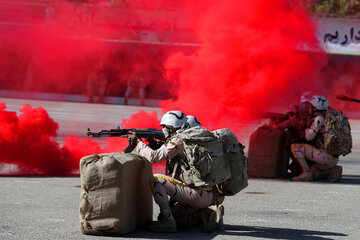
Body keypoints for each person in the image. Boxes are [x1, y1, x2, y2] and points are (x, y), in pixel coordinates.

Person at [128, 110, 224, 233]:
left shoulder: (179, 140)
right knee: (176, 218)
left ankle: (168, 223)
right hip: (213, 194)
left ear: (169, 127)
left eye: (164, 127)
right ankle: (205, 214)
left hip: (197, 195)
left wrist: (138, 143)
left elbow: (154, 157)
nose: (162, 130)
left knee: (156, 180)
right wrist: (159, 144)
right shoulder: (193, 137)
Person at [289, 95, 342, 182]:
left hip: (324, 156)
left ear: (315, 107)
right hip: (333, 158)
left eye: (311, 106)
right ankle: (332, 170)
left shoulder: (319, 119)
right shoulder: (329, 117)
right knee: (315, 174)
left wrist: (306, 128)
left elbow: (308, 137)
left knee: (295, 147)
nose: (309, 108)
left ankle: (306, 173)